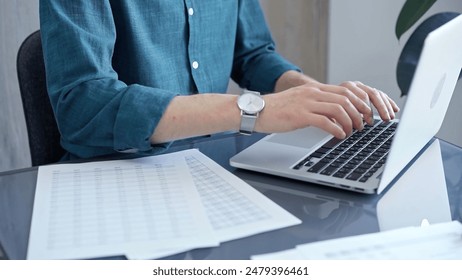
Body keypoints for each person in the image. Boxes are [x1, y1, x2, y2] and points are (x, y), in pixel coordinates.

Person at [39, 1, 399, 160]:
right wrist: (253, 110)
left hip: (215, 167)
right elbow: (83, 104)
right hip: (117, 176)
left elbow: (252, 55)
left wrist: (319, 96)